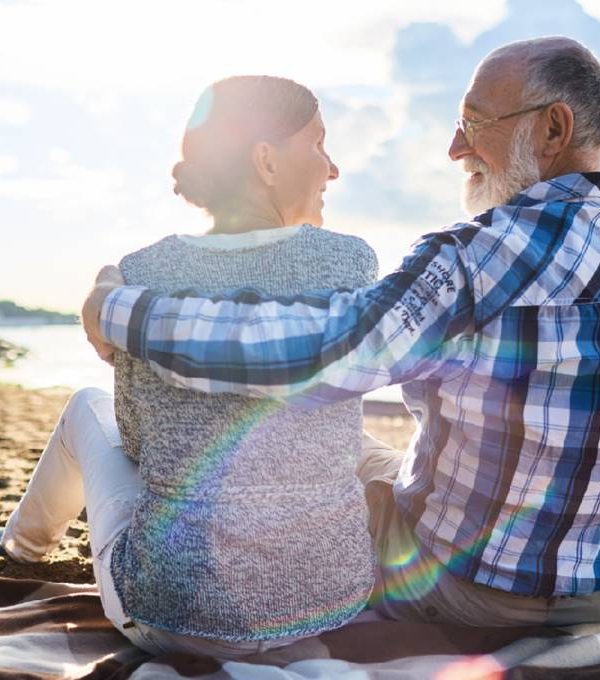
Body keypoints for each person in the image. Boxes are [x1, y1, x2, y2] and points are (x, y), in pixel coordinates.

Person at [84, 37, 600, 628]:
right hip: (591, 597)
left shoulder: (483, 257)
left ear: (553, 130)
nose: (456, 148)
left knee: (308, 439)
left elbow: (322, 353)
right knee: (354, 449)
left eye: (473, 122)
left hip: (468, 588)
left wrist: (124, 313)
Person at [1, 76, 380, 657]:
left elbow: (136, 439)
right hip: (324, 604)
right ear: (266, 162)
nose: (333, 169)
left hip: (172, 615)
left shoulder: (141, 271)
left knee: (86, 406)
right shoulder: (351, 261)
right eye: (320, 144)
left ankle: (20, 552)